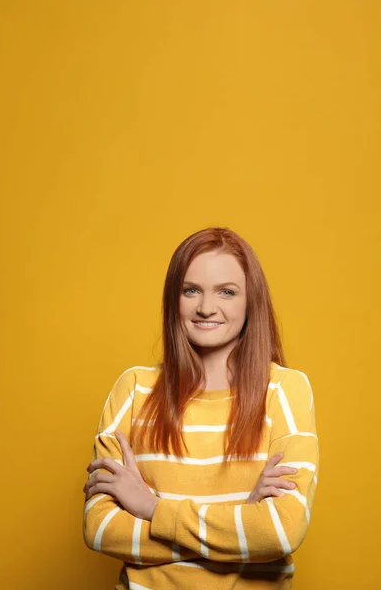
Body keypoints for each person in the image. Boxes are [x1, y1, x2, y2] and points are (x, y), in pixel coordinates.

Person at [82, 227, 319, 590]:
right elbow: (100, 530)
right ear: (172, 299)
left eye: (227, 291)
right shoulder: (133, 389)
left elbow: (280, 533)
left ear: (250, 301)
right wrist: (239, 526)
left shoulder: (285, 390)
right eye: (190, 290)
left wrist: (150, 509)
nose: (206, 307)